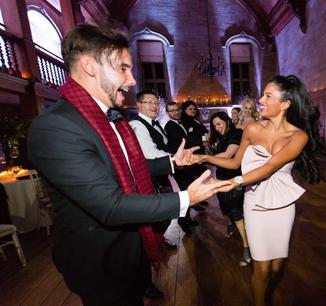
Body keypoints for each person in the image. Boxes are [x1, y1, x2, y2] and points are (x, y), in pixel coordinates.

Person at [27, 23, 229, 306]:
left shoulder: (111, 118)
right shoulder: (56, 127)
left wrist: (172, 162)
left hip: (133, 249)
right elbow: (109, 205)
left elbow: (130, 169)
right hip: (101, 262)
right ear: (90, 67)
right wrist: (186, 198)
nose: (132, 79)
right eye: (123, 68)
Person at [193, 75, 321, 306]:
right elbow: (234, 163)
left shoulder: (298, 136)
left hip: (283, 205)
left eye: (268, 96)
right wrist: (204, 157)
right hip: (254, 202)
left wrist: (234, 183)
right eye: (262, 94)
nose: (261, 99)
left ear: (285, 104)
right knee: (261, 268)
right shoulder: (251, 129)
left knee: (277, 265)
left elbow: (270, 167)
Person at [130, 89, 177, 300]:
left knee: (162, 220)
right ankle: (144, 281)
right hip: (147, 182)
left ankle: (155, 252)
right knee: (149, 228)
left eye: (156, 103)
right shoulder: (138, 125)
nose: (153, 106)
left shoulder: (154, 124)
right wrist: (178, 159)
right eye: (148, 102)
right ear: (138, 105)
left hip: (160, 178)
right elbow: (150, 155)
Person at [209, 111, 251, 266]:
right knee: (223, 206)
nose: (217, 128)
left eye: (219, 124)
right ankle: (229, 225)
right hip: (221, 177)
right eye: (214, 126)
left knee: (236, 211)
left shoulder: (236, 133)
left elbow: (228, 155)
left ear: (227, 121)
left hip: (235, 178)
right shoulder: (220, 137)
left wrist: (203, 158)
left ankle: (247, 247)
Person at [164, 101, 200, 234]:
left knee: (189, 193)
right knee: (186, 194)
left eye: (177, 109)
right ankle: (182, 221)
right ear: (167, 113)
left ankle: (187, 218)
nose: (175, 112)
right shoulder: (169, 126)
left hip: (185, 164)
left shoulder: (180, 123)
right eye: (172, 111)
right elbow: (184, 142)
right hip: (179, 166)